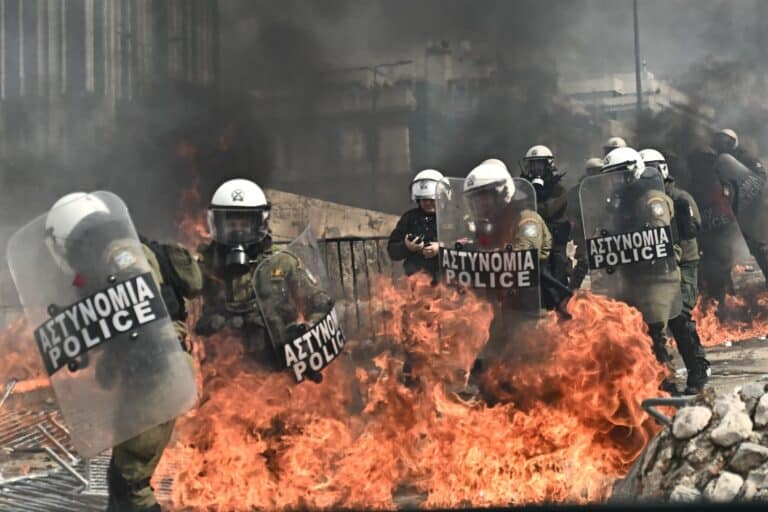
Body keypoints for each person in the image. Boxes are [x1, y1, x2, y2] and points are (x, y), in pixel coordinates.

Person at [42, 192, 202, 512]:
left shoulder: (120, 251)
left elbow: (137, 294)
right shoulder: (103, 258)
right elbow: (120, 317)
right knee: (122, 479)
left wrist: (139, 348)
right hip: (150, 375)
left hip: (158, 373)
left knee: (131, 484)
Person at [194, 178, 332, 378]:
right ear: (217, 223)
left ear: (260, 222)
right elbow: (182, 300)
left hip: (279, 366)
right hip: (225, 368)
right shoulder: (205, 263)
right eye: (231, 223)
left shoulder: (281, 261)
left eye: (244, 222)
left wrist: (306, 334)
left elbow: (319, 304)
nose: (238, 229)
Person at [640, 149, 710, 393]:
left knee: (679, 316)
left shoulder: (679, 197)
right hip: (654, 266)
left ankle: (698, 371)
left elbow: (693, 228)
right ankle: (664, 378)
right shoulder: (640, 200)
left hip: (683, 262)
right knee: (653, 323)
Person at [519, 145, 571, 308]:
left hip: (554, 245)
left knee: (556, 288)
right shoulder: (522, 187)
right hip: (531, 242)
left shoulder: (559, 188)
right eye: (533, 164)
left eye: (540, 164)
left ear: (548, 165)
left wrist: (531, 199)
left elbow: (547, 210)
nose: (536, 169)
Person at [387, 169, 449, 282]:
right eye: (422, 199)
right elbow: (392, 251)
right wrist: (406, 246)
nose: (427, 203)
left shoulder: (452, 218)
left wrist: (441, 248)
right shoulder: (409, 218)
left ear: (442, 197)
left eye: (431, 199)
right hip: (417, 282)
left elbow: (465, 244)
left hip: (448, 282)